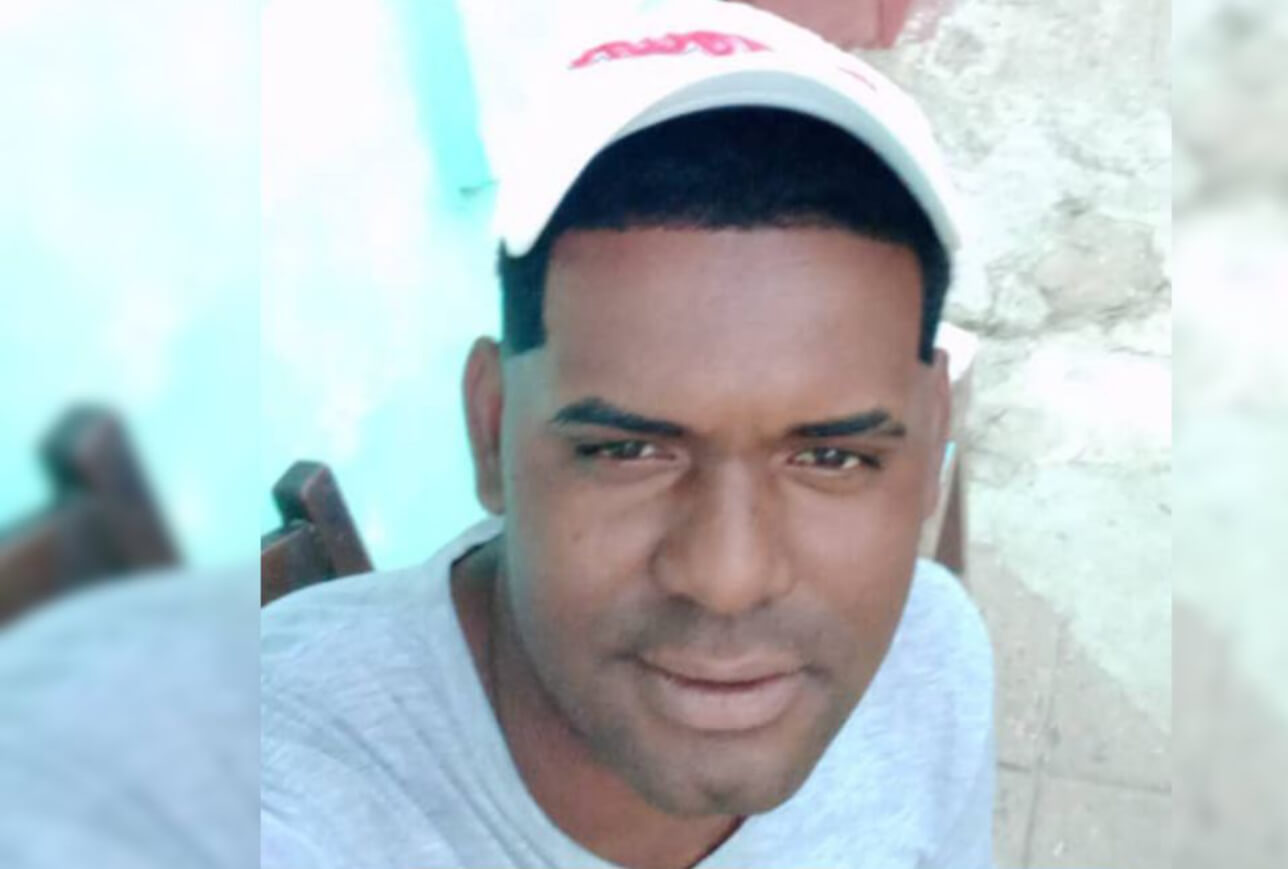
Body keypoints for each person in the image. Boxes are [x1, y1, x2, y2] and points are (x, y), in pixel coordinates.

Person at [262, 3, 994, 867]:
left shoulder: (933, 664)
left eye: (831, 457)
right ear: (491, 428)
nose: (726, 579)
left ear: (932, 441)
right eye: (627, 450)